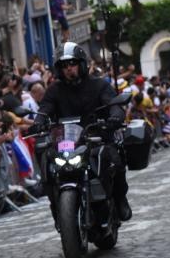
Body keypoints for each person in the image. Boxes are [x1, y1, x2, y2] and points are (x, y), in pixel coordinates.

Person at [37, 42, 131, 221]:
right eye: (64, 66)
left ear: (81, 64)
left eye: (72, 64)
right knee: (44, 153)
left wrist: (115, 117)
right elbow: (44, 109)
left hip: (96, 136)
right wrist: (38, 122)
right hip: (68, 140)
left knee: (114, 157)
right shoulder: (54, 90)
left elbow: (113, 103)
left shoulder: (99, 85)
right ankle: (55, 205)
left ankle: (120, 199)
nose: (69, 69)